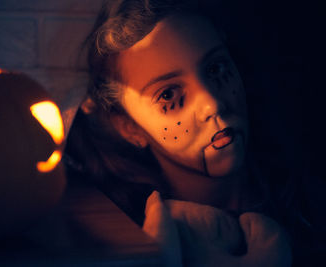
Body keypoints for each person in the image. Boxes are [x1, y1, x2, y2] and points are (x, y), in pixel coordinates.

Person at [64, 0, 325, 265]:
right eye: (168, 95)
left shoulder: (310, 199)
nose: (212, 103)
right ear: (129, 127)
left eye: (216, 69)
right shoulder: (123, 231)